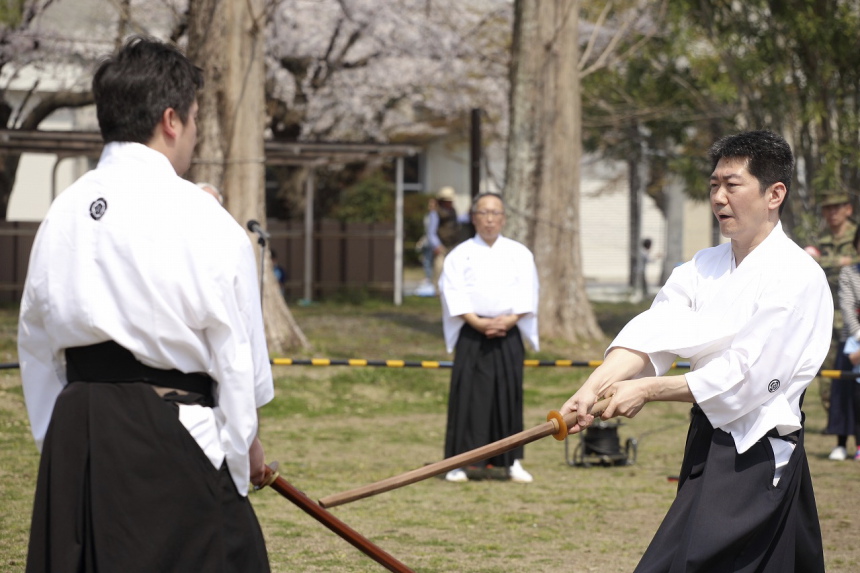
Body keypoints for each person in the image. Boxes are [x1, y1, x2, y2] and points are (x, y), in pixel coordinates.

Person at [18, 37, 273, 572]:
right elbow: (236, 354)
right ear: (171, 120)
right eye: (195, 118)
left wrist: (58, 439)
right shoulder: (201, 218)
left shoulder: (62, 211)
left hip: (75, 435)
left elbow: (36, 344)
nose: (195, 132)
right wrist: (237, 451)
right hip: (169, 433)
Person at [560, 130, 829, 572]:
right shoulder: (703, 266)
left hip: (757, 452)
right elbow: (655, 332)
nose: (719, 197)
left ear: (774, 194)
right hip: (707, 436)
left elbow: (749, 378)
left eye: (732, 185)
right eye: (714, 185)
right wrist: (593, 386)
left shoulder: (797, 276)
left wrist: (647, 390)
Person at [439, 192, 539, 483]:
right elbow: (452, 293)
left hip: (509, 331)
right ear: (474, 218)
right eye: (483, 213)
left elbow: (529, 290)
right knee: (467, 396)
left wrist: (510, 320)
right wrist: (478, 323)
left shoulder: (519, 253)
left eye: (495, 213)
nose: (490, 219)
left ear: (504, 218)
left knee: (509, 395)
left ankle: (512, 461)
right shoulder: (459, 255)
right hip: (473, 332)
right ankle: (458, 463)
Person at [818, 192, 860, 460]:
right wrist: (837, 262)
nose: (832, 213)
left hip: (850, 324)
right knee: (830, 376)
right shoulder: (822, 239)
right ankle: (837, 427)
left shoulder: (855, 235)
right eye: (827, 208)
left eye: (837, 208)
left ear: (848, 209)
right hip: (828, 316)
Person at [836, 223, 860, 460]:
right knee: (845, 394)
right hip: (852, 341)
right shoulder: (848, 273)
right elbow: (847, 306)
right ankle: (841, 444)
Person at [427, 186, 461, 288]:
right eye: (448, 201)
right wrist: (437, 245)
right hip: (442, 246)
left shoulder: (453, 211)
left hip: (453, 245)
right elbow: (431, 232)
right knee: (439, 268)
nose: (450, 203)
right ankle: (437, 290)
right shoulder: (435, 213)